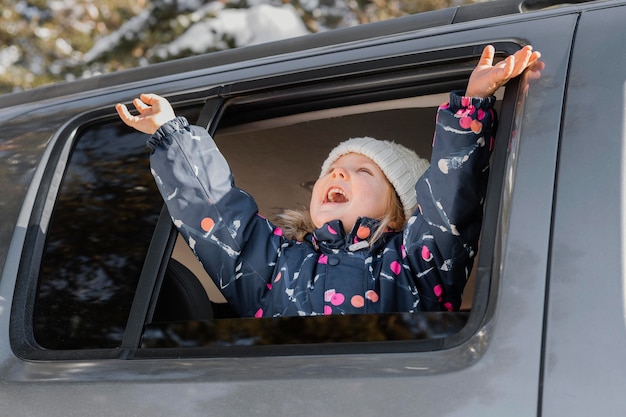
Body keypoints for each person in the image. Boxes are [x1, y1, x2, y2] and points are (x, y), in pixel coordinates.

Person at [116, 45, 541, 317]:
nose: (338, 173)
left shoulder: (419, 264)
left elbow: (450, 200)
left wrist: (471, 106)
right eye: (332, 170)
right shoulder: (275, 265)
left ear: (399, 212)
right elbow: (218, 213)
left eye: (364, 171)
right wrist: (172, 134)